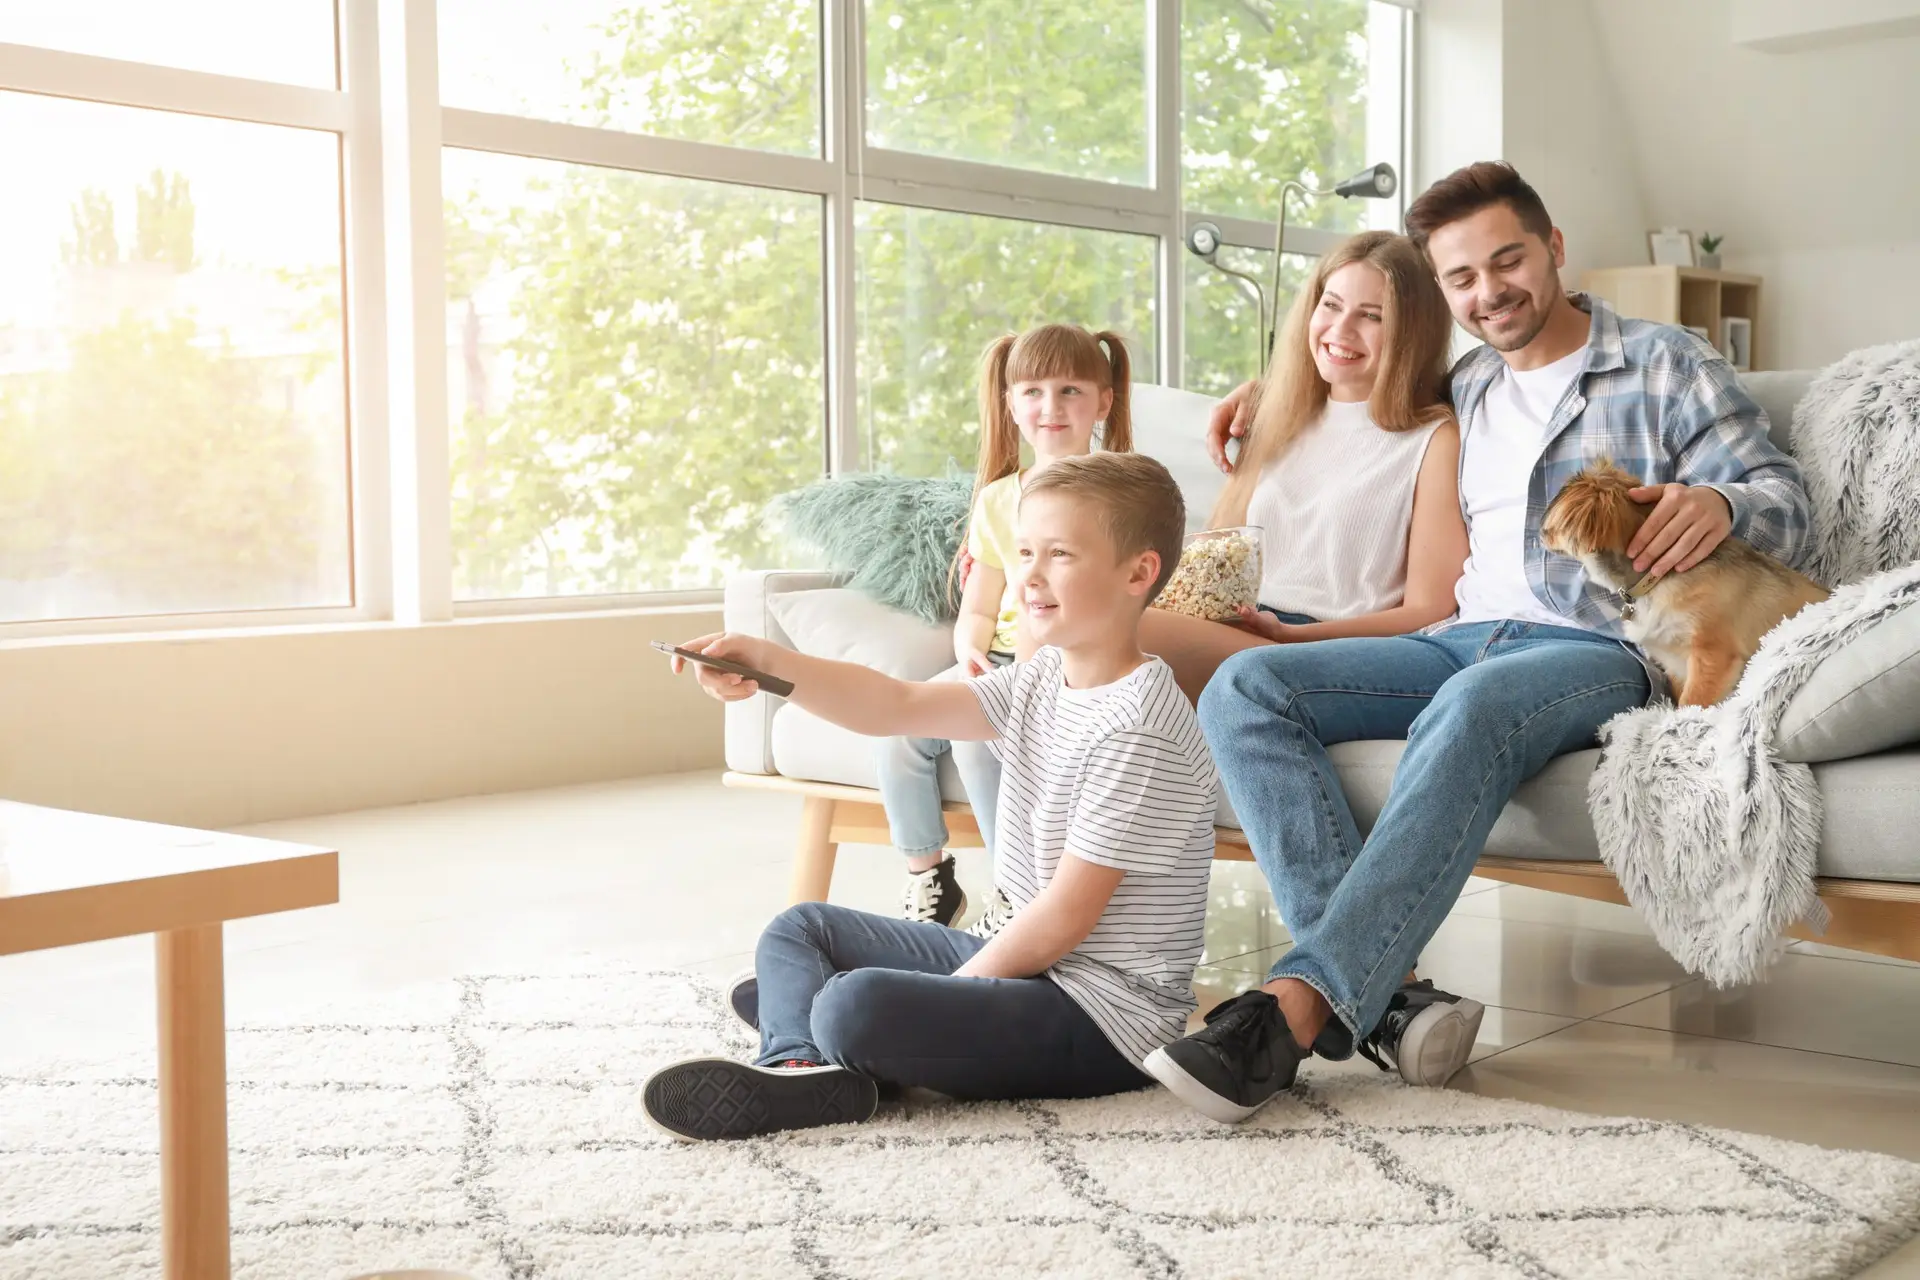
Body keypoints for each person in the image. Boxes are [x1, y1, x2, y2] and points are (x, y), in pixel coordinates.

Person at [1146, 161, 1811, 1120]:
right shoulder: (1466, 384)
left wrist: (1719, 500)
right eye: (1462, 278)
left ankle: (1291, 1010)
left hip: (1592, 651)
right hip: (1454, 637)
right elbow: (1356, 376)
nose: (1488, 291)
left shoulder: (1668, 362)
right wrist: (1258, 391)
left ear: (1554, 250)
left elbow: (1787, 504)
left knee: (1468, 709)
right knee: (1248, 686)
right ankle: (1388, 1001)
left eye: (1508, 261)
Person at [643, 453, 1218, 1141]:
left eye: (1059, 554)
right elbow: (897, 705)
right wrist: (769, 664)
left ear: (1138, 573)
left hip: (1100, 1015)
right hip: (1025, 963)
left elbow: (1065, 919)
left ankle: (815, 1021)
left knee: (852, 1005)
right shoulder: (1039, 682)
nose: (1028, 576)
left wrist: (951, 992)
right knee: (799, 930)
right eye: (1024, 551)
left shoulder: (1140, 728)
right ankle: (800, 1067)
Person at [1137, 230, 1470, 704]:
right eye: (1330, 305)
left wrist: (1292, 638)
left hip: (1319, 644)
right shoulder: (1276, 415)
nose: (1340, 330)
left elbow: (1430, 608)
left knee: (1119, 629)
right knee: (1074, 622)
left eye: (1371, 316)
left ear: (1412, 331)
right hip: (1238, 622)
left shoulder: (1433, 439)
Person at [878, 324, 1135, 929]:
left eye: (1071, 390)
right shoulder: (997, 499)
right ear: (1010, 403)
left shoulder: (1122, 492)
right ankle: (930, 880)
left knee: (975, 732)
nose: (1051, 408)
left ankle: (1013, 893)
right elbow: (980, 605)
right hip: (995, 662)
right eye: (1034, 392)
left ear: (1104, 401)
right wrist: (969, 651)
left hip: (1065, 667)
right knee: (900, 730)